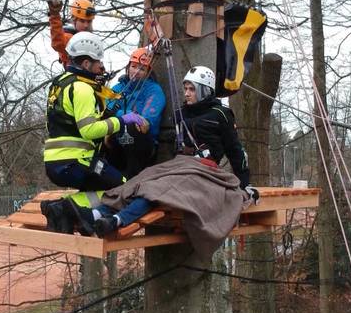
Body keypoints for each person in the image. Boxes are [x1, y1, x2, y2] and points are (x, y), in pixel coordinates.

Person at [62, 65, 259, 237]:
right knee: (138, 182)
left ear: (204, 90)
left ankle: (117, 220)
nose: (187, 93)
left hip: (204, 171)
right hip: (179, 165)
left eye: (192, 89)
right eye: (185, 89)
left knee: (158, 190)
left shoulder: (220, 115)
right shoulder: (180, 114)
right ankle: (96, 214)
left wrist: (245, 183)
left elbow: (235, 150)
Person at [42, 32, 146, 234]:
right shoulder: (82, 88)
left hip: (54, 161)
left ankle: (62, 212)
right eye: (99, 62)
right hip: (75, 161)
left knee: (96, 190)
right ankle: (63, 207)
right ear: (87, 64)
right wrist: (121, 121)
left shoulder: (59, 83)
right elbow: (88, 130)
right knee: (123, 190)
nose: (102, 67)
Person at [105, 47, 166, 178]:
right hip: (115, 140)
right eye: (133, 66)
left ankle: (132, 177)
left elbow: (145, 122)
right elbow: (107, 110)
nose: (136, 71)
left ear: (148, 72)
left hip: (142, 142)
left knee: (132, 127)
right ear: (128, 67)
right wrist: (125, 115)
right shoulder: (118, 88)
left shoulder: (153, 90)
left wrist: (122, 115)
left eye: (142, 69)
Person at [47, 0, 95, 65]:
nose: (86, 25)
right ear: (74, 20)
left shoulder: (91, 39)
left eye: (89, 22)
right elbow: (58, 43)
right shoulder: (70, 38)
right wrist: (55, 15)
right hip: (76, 74)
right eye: (82, 21)